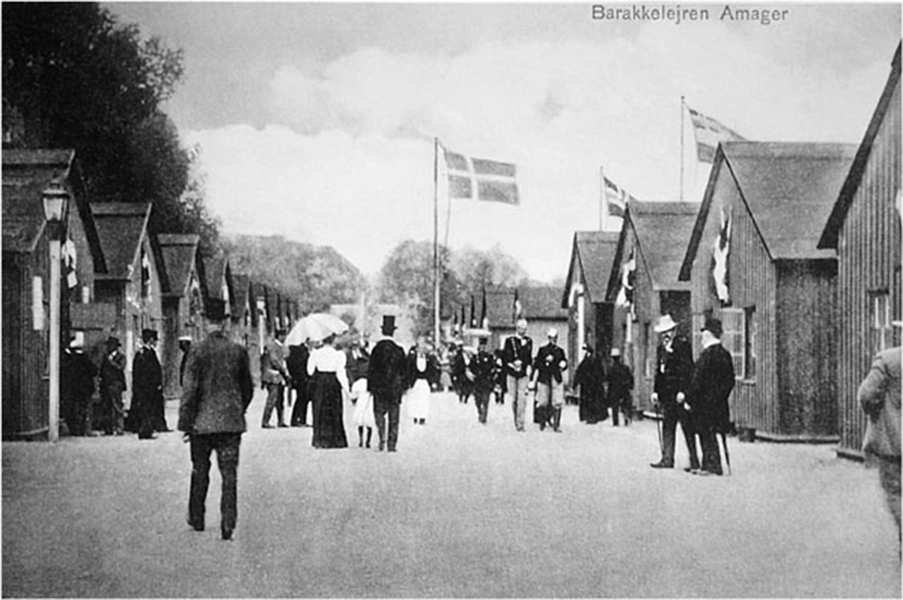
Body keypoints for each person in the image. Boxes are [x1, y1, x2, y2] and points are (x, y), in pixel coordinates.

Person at [178, 302, 254, 541]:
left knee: (200, 470)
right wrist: (237, 409)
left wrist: (185, 423)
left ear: (204, 321)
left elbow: (189, 391)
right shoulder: (238, 351)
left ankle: (197, 516)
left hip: (201, 424)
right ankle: (228, 522)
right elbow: (248, 389)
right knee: (229, 474)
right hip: (230, 424)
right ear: (225, 322)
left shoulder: (196, 352)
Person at [858, 331, 901, 549]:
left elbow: (867, 395)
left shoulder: (888, 360)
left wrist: (877, 413)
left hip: (894, 444)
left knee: (895, 493)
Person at [685, 318, 735, 475]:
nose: (701, 338)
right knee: (711, 433)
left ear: (708, 335)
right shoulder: (725, 355)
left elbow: (696, 382)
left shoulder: (705, 357)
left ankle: (712, 466)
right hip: (719, 405)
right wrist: (720, 397)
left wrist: (690, 400)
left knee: (705, 434)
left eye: (703, 335)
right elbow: (730, 381)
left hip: (703, 406)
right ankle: (709, 464)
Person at [649, 314, 698, 471]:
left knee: (687, 428)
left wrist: (684, 391)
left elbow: (688, 371)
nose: (665, 334)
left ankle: (694, 460)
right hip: (667, 396)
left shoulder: (683, 346)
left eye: (668, 331)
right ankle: (667, 458)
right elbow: (659, 372)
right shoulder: (661, 349)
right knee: (667, 426)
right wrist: (656, 391)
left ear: (674, 330)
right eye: (663, 332)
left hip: (679, 396)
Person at [367, 316, 407, 452]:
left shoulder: (376, 349)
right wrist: (403, 387)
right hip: (395, 388)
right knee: (394, 416)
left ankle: (381, 437)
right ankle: (392, 443)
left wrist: (370, 387)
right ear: (393, 332)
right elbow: (404, 371)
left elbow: (370, 369)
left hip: (379, 387)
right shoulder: (399, 350)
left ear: (382, 331)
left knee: (379, 413)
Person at [308, 333, 349, 449]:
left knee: (319, 409)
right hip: (333, 382)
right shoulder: (338, 355)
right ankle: (335, 440)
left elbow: (310, 371)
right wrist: (347, 390)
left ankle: (320, 440)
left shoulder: (315, 354)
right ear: (333, 340)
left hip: (320, 383)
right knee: (334, 410)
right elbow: (341, 374)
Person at [530, 328, 568, 432]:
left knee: (557, 401)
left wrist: (563, 364)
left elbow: (564, 362)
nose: (553, 340)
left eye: (555, 338)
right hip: (544, 377)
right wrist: (545, 363)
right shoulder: (543, 350)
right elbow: (537, 364)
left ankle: (556, 424)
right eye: (551, 338)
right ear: (548, 338)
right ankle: (542, 422)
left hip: (556, 377)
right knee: (543, 401)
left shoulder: (560, 351)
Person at [131, 329, 165, 440]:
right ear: (150, 340)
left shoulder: (148, 353)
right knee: (146, 409)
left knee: (148, 409)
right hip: (147, 388)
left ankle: (148, 430)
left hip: (148, 388)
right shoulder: (144, 354)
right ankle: (145, 431)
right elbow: (146, 372)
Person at [61, 334, 96, 436]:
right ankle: (84, 429)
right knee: (85, 409)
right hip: (86, 389)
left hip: (73, 388)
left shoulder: (70, 359)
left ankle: (76, 429)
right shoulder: (86, 359)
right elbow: (93, 370)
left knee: (74, 409)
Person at [502, 318, 533, 432]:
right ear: (517, 328)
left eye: (525, 329)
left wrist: (528, 367)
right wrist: (513, 363)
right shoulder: (510, 341)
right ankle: (516, 419)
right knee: (514, 399)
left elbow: (529, 358)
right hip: (512, 373)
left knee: (522, 399)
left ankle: (521, 423)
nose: (523, 331)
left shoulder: (529, 341)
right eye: (521, 328)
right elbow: (505, 356)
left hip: (523, 373)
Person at [346, 334, 374, 447]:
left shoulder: (364, 358)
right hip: (363, 389)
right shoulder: (350, 357)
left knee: (362, 416)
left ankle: (363, 440)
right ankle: (365, 440)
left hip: (362, 389)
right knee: (367, 417)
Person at [261, 328, 290, 428]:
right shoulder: (273, 346)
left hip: (278, 377)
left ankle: (281, 420)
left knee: (280, 399)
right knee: (272, 399)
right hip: (272, 376)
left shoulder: (280, 347)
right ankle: (265, 421)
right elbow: (275, 361)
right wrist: (284, 370)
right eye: (284, 335)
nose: (285, 337)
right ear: (280, 336)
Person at [405, 337, 438, 425]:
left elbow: (432, 370)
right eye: (420, 346)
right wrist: (408, 382)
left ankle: (423, 417)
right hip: (415, 382)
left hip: (425, 382)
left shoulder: (429, 359)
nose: (422, 349)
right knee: (415, 400)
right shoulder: (412, 358)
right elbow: (409, 370)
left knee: (424, 400)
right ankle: (416, 416)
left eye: (424, 347)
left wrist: (433, 381)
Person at [574, 344, 608, 425]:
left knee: (591, 401)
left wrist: (575, 383)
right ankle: (591, 417)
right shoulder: (588, 360)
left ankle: (591, 417)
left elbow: (579, 372)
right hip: (590, 386)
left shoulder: (591, 361)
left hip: (591, 386)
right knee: (591, 401)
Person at [99, 336, 127, 435]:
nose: (108, 348)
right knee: (106, 407)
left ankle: (120, 428)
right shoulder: (105, 357)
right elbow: (102, 370)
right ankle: (108, 429)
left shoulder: (121, 357)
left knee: (117, 406)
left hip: (116, 384)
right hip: (106, 385)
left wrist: (111, 362)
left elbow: (120, 368)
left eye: (110, 346)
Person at [468, 333, 497, 424]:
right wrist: (470, 374)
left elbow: (493, 368)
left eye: (484, 346)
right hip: (477, 381)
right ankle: (480, 411)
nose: (483, 348)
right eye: (481, 346)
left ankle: (484, 416)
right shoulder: (475, 357)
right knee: (477, 399)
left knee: (485, 399)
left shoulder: (489, 357)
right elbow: (470, 368)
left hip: (486, 381)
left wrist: (493, 377)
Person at [287, 340, 312, 427]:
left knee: (304, 399)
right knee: (301, 399)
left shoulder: (302, 349)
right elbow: (299, 364)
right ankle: (296, 419)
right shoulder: (299, 350)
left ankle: (302, 419)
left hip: (302, 378)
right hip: (301, 378)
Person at [608, 348, 634, 426]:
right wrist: (630, 386)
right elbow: (630, 377)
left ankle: (615, 422)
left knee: (615, 406)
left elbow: (609, 379)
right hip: (624, 388)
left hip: (614, 389)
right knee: (626, 404)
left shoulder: (611, 369)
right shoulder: (625, 367)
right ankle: (626, 417)